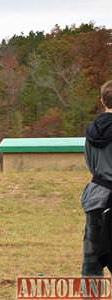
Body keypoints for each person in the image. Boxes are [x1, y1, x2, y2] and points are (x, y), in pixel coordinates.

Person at [82, 80, 112, 276]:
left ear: (102, 100)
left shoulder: (91, 130)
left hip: (96, 198)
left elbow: (90, 164)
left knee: (92, 262)